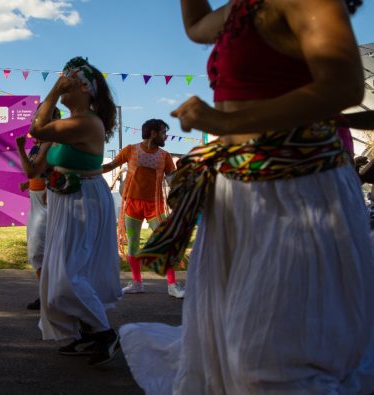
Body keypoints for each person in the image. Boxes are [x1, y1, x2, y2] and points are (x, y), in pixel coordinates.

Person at [119, 0, 374, 393]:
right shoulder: (244, 6)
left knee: (277, 359)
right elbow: (198, 26)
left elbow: (344, 83)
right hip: (240, 191)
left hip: (294, 189)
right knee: (228, 346)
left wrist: (228, 122)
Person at [30, 57, 122, 367]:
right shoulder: (69, 124)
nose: (63, 83)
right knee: (61, 271)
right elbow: (39, 154)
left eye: (70, 80)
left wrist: (55, 89)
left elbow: (37, 127)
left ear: (84, 88)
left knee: (67, 275)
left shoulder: (87, 122)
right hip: (64, 199)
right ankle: (88, 332)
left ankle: (105, 333)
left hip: (83, 199)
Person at [100, 119, 184, 298]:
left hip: (156, 206)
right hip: (132, 205)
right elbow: (110, 166)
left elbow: (172, 180)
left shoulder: (165, 156)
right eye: (163, 132)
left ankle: (172, 285)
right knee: (133, 244)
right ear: (153, 133)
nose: (165, 136)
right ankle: (137, 283)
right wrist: (87, 170)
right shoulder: (131, 150)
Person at [15, 107, 60, 311]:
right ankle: (45, 294)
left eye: (39, 119)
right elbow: (34, 175)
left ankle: (49, 297)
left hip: (47, 202)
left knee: (40, 251)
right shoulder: (39, 146)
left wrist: (20, 149)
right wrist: (29, 185)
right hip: (37, 202)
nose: (35, 122)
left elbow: (31, 171)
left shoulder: (52, 144)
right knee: (37, 251)